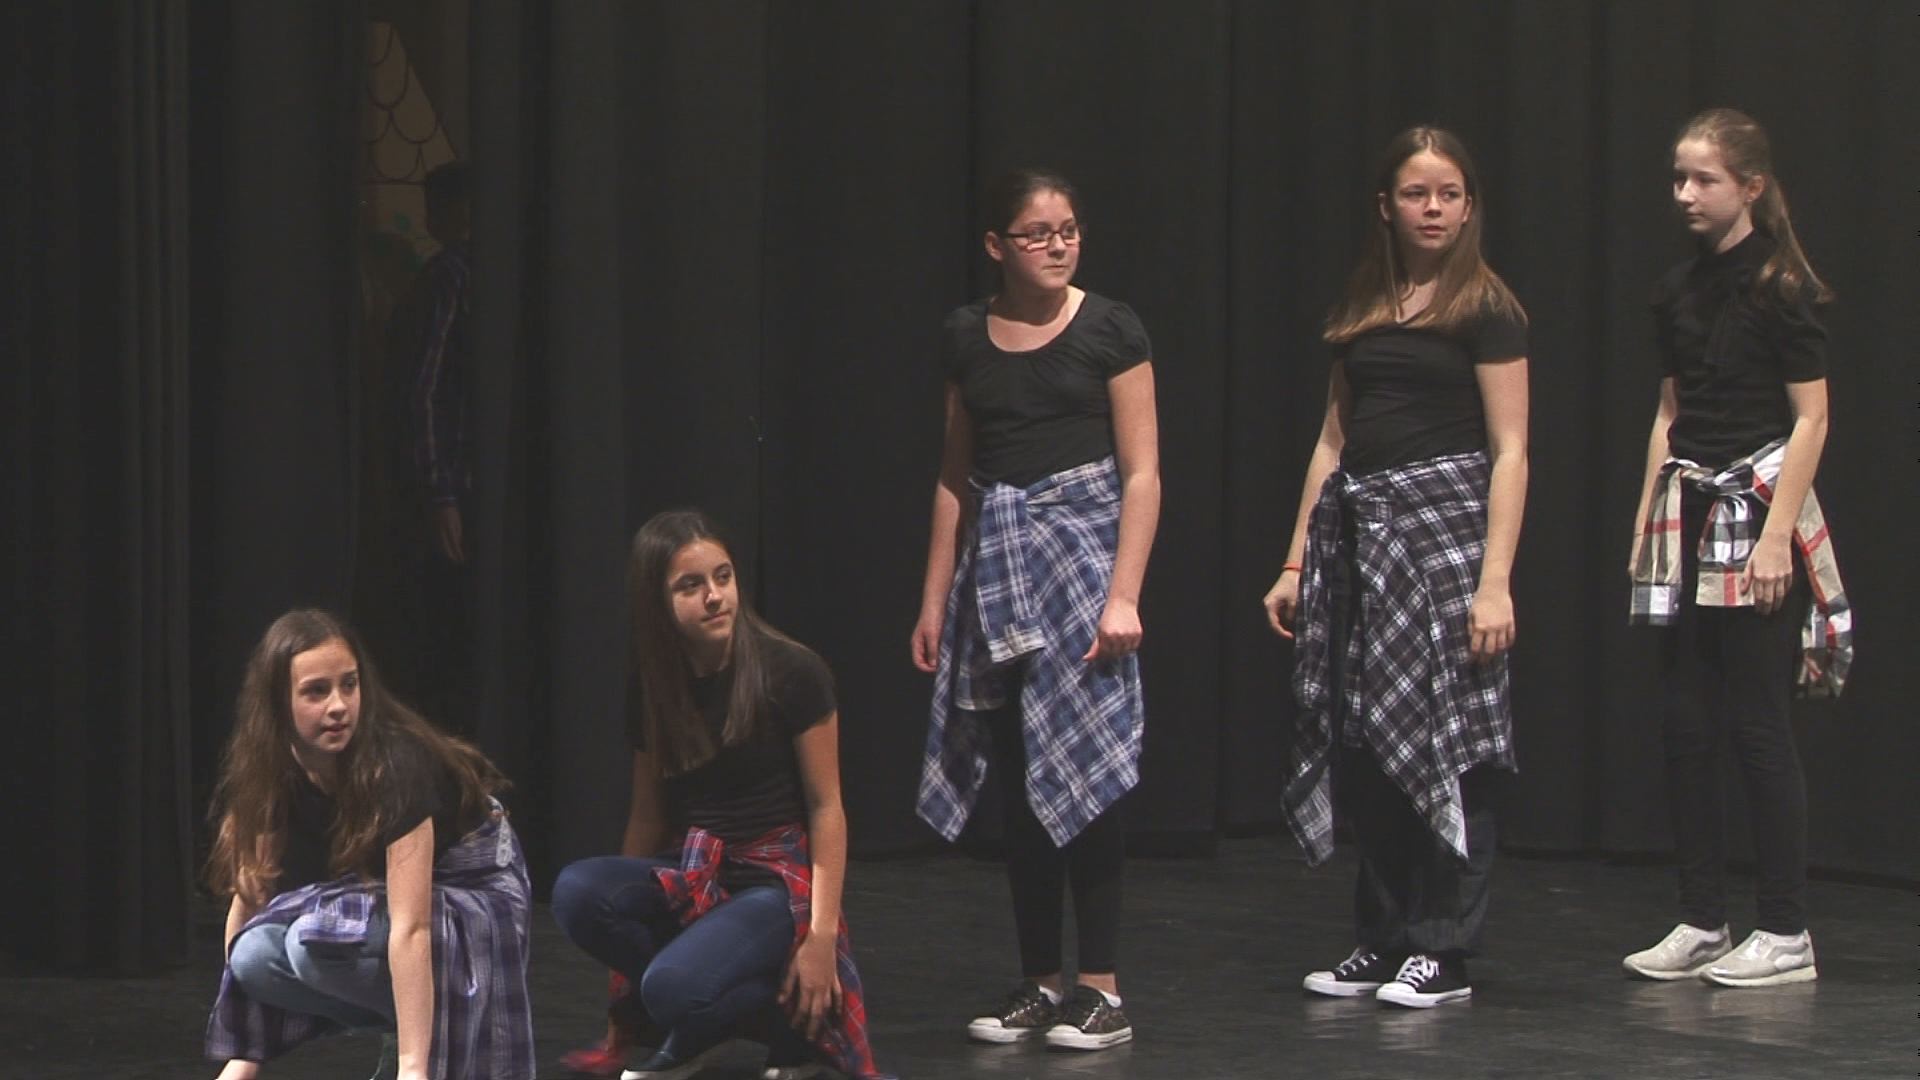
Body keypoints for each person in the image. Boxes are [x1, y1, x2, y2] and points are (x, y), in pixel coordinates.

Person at [1264, 126, 1529, 1009]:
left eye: (1450, 194)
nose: (1434, 209)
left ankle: (1441, 947)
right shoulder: (1365, 305)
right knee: (1373, 742)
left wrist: (1495, 581)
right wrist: (1295, 561)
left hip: (1445, 544)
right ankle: (1381, 937)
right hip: (1363, 544)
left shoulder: (1487, 308)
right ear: (1387, 205)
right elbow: (1331, 441)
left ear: (1470, 205)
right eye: (1418, 194)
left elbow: (1512, 450)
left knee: (1453, 745)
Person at [913, 168, 1160, 1050]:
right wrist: (934, 599)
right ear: (997, 246)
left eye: (1069, 231)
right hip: (1000, 574)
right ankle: (1039, 980)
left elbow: (1141, 474)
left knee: (1085, 771)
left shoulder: (1111, 328)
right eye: (1037, 234)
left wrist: (1123, 594)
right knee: (1024, 779)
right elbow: (955, 476)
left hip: (1082, 569)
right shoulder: (965, 336)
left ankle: (1102, 989)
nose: (1057, 246)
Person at [1621, 107, 1851, 988]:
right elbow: (1670, 411)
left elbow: (1811, 418)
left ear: (1749, 187)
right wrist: (1647, 520)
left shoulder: (1780, 287)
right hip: (1687, 507)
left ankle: (1785, 929)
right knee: (1686, 721)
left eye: (1704, 179)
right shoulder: (1677, 288)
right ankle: (1702, 917)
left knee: (1757, 720)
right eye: (1679, 178)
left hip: (1753, 511)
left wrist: (1776, 536)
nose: (1685, 193)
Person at [552, 510, 887, 1080]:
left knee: (671, 987)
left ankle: (749, 1025)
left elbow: (826, 808)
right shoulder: (655, 684)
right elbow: (647, 816)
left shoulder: (791, 671)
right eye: (691, 585)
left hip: (774, 882)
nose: (714, 596)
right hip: (697, 869)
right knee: (578, 891)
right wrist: (621, 993)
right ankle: (735, 1018)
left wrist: (820, 938)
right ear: (657, 603)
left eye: (723, 577)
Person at [204, 609, 533, 1080]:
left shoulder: (395, 764)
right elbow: (252, 897)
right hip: (379, 897)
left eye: (349, 685)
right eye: (316, 691)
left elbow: (412, 927)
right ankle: (404, 1019)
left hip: (474, 894)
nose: (339, 705)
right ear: (277, 702)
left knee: (314, 941)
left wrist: (412, 1070)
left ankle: (417, 1039)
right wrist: (243, 1057)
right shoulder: (272, 769)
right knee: (253, 955)